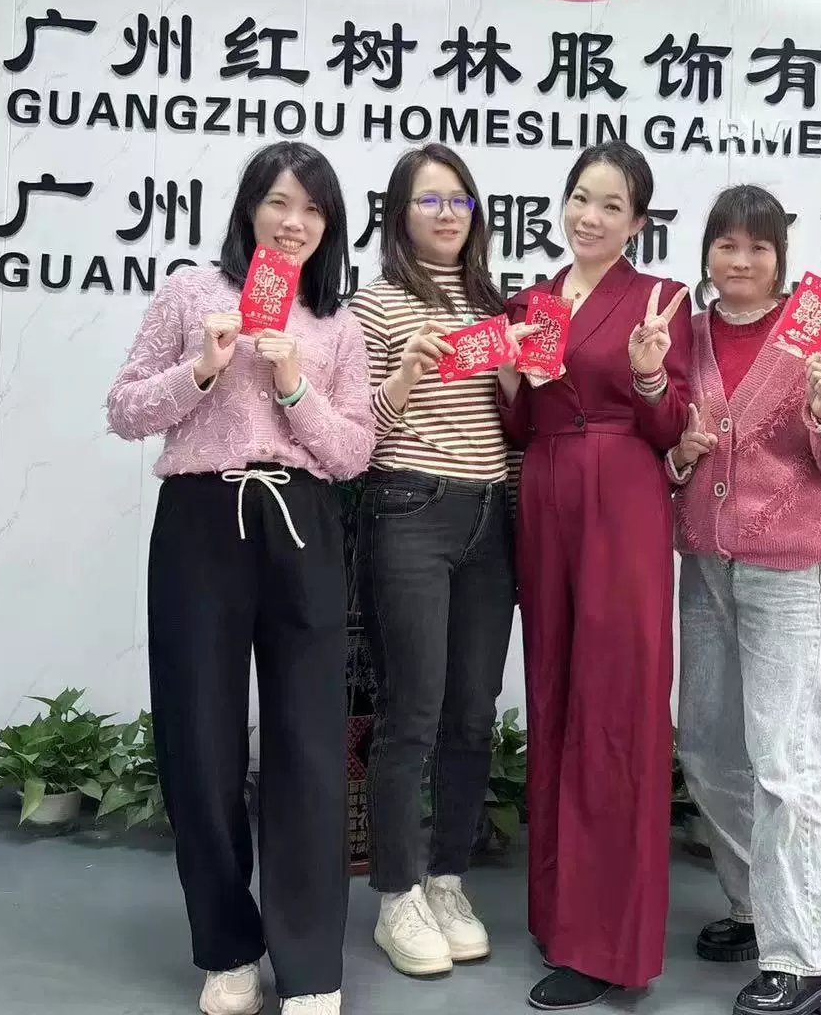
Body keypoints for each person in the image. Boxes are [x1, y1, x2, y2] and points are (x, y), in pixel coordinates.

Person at [105, 142, 374, 1015]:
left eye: (313, 209)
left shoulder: (336, 323)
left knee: (309, 744)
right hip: (201, 521)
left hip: (302, 523)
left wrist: (294, 385)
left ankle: (311, 966)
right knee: (201, 738)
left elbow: (352, 452)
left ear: (331, 225)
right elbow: (124, 409)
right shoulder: (191, 293)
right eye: (279, 202)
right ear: (249, 208)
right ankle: (226, 949)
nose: (294, 222)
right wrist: (202, 368)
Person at [666, 185, 821, 1015]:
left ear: (780, 257)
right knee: (709, 753)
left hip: (787, 575)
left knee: (787, 765)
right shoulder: (687, 336)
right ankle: (758, 907)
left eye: (758, 246)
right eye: (726, 244)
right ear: (707, 253)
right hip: (706, 568)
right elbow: (666, 447)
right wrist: (678, 455)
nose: (741, 260)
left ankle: (807, 960)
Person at [497, 141, 693, 1012]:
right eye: (582, 197)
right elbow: (519, 423)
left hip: (624, 503)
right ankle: (558, 914)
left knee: (617, 707)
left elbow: (672, 426)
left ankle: (609, 945)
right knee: (554, 693)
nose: (591, 216)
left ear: (637, 222)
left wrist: (649, 375)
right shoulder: (534, 303)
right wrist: (511, 376)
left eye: (613, 205)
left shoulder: (661, 299)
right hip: (545, 494)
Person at [348, 144, 517, 978]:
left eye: (459, 200)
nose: (447, 214)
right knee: (411, 712)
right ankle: (396, 895)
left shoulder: (496, 304)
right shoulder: (374, 305)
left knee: (473, 713)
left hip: (492, 519)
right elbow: (353, 436)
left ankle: (447, 879)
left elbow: (515, 428)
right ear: (399, 213)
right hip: (410, 510)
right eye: (429, 200)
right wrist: (405, 376)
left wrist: (519, 377)